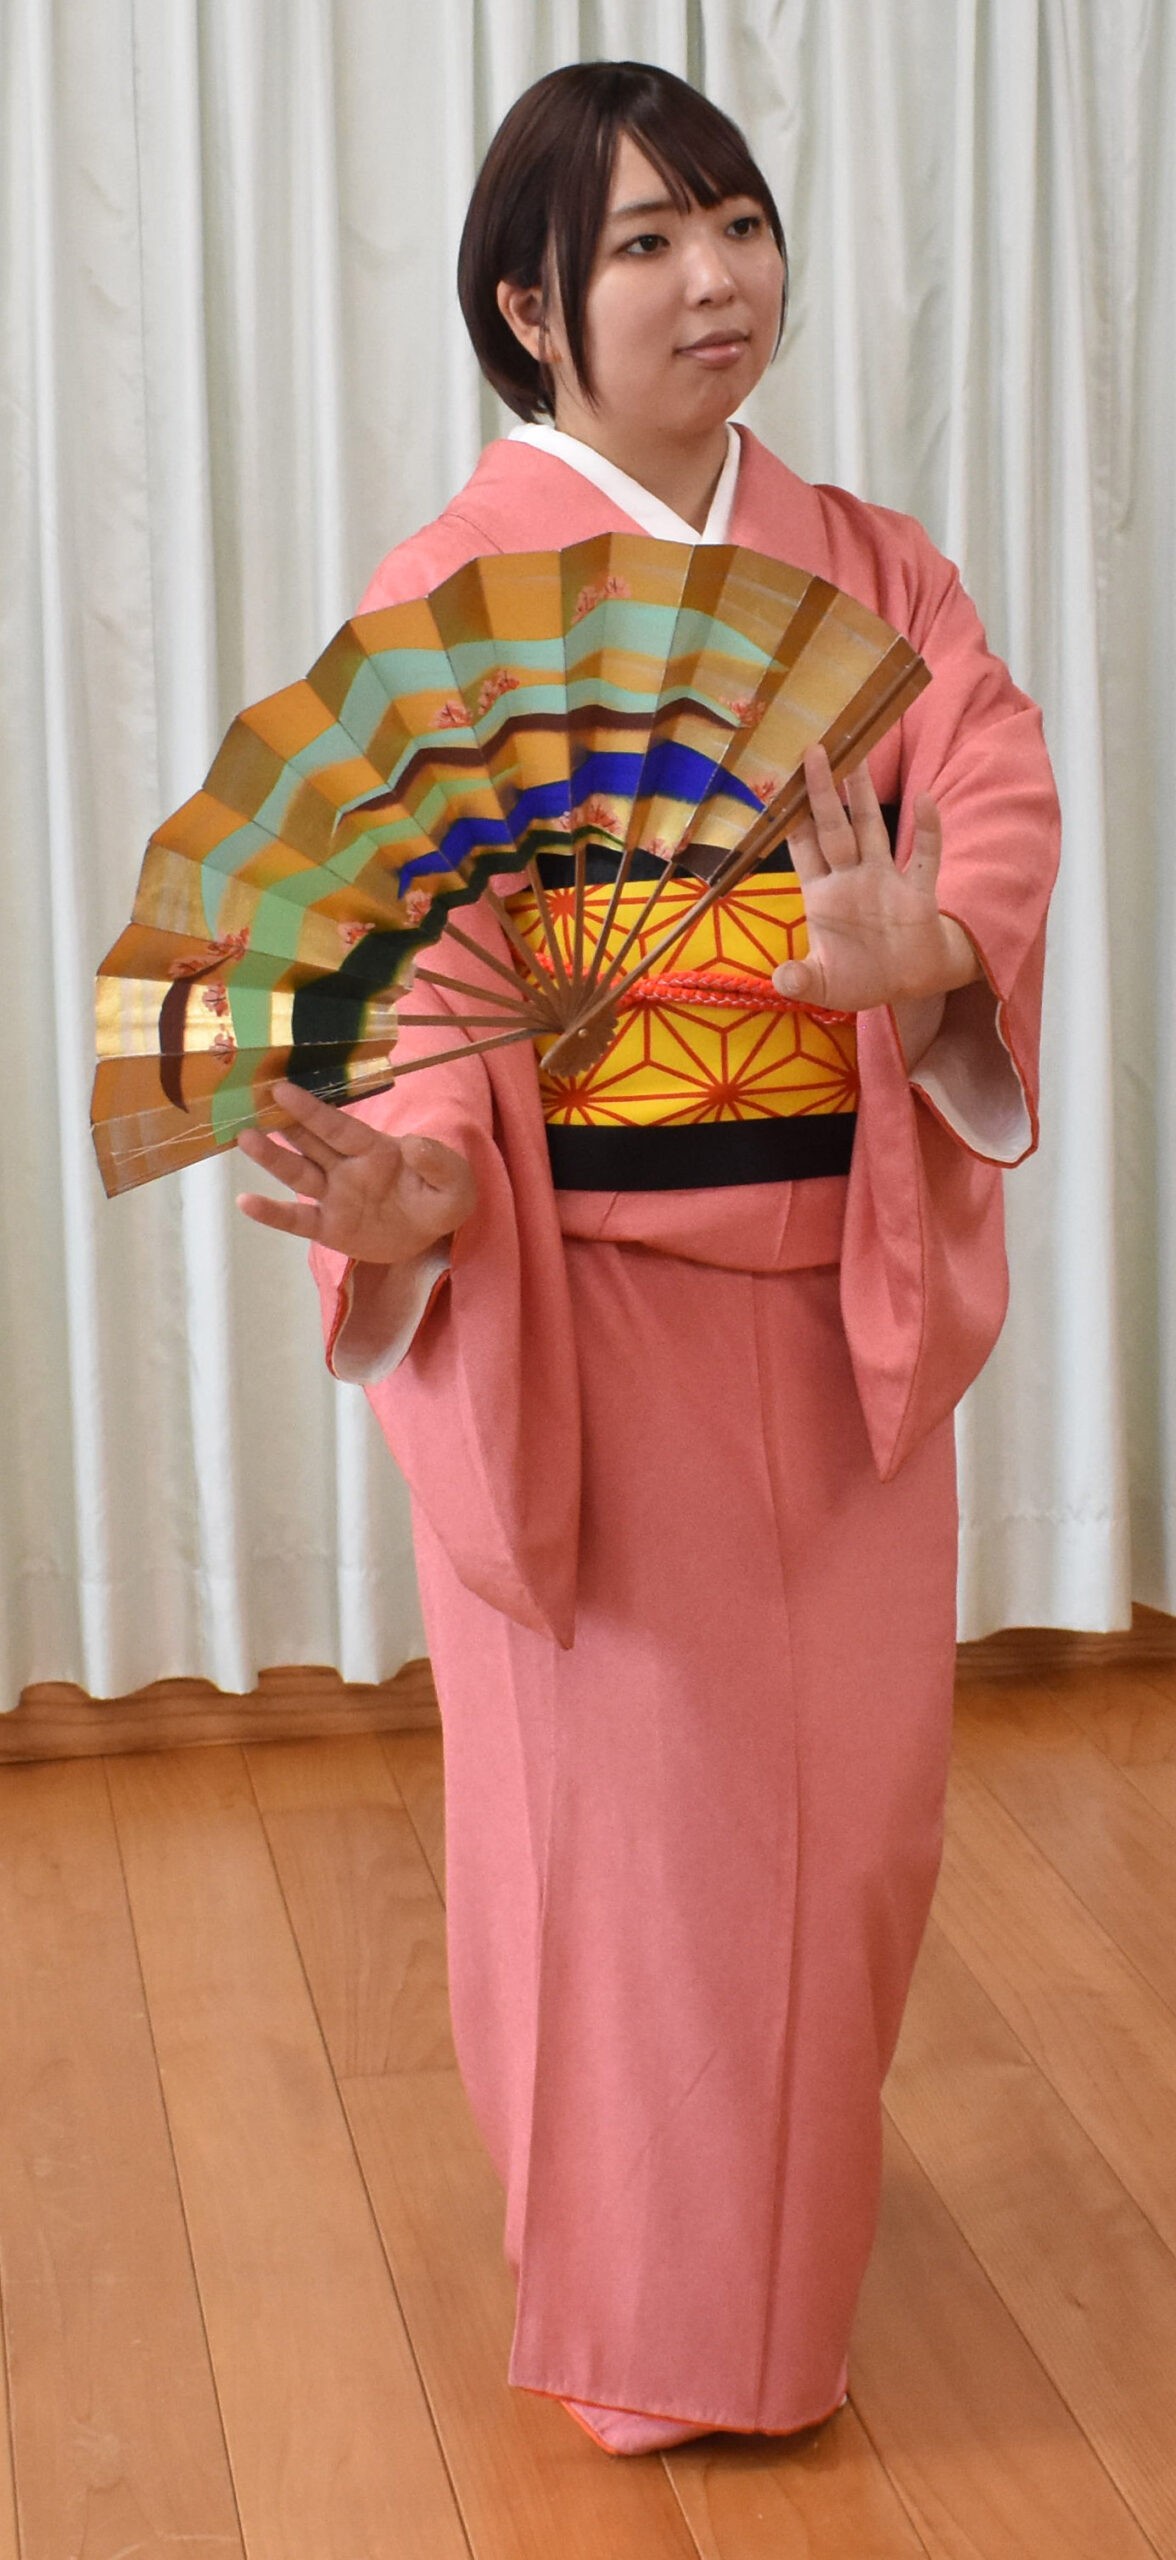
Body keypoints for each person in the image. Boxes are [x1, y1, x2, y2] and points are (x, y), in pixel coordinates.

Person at [235, 61, 1060, 2457]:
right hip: (576, 1320)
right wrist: (413, 1185)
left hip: (839, 1304)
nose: (716, 280)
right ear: (531, 306)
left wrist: (930, 945)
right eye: (644, 243)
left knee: (855, 1832)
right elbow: (412, 955)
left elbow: (989, 786)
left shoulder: (879, 570)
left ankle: (756, 2281)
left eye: (738, 225)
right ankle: (654, 2324)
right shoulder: (441, 604)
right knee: (630, 1858)